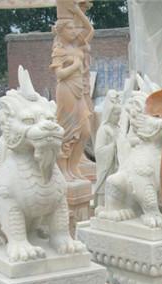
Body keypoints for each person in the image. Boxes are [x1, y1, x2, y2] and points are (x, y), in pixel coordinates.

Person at [50, 3, 93, 180]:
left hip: (78, 90)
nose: (74, 31)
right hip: (66, 89)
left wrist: (77, 12)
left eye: (75, 28)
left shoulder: (77, 45)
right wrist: (75, 65)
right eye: (70, 28)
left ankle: (74, 167)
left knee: (85, 131)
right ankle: (63, 169)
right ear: (61, 31)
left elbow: (90, 30)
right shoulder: (59, 50)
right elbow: (59, 74)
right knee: (67, 130)